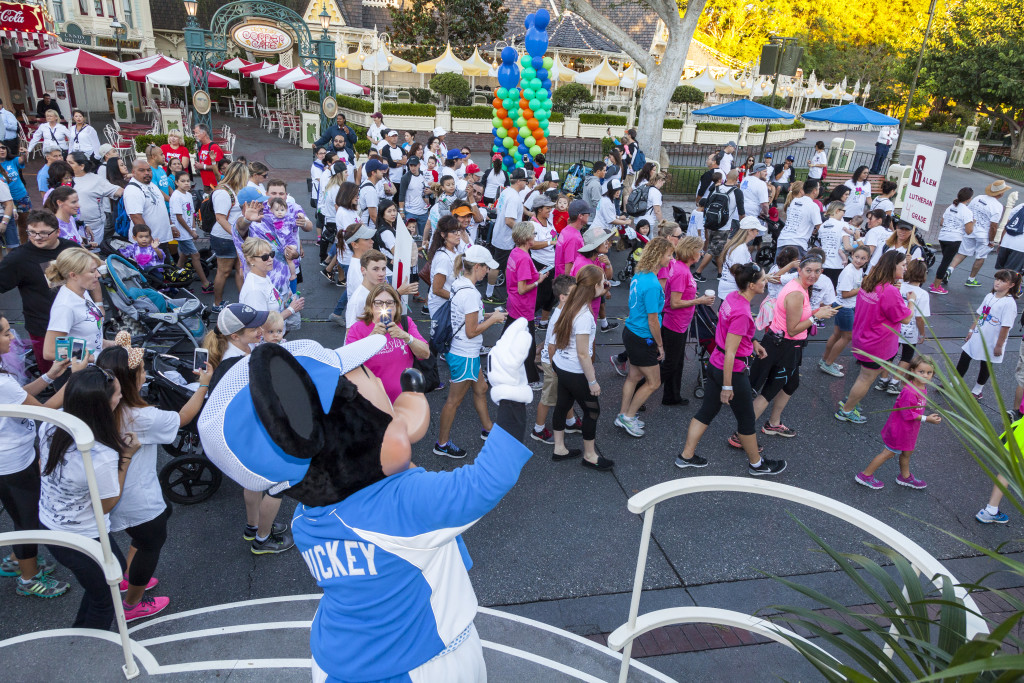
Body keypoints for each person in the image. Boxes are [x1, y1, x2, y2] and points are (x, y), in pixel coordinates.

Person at [96, 335, 211, 620]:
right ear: (129, 380)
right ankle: (133, 604)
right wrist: (204, 384)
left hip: (115, 491)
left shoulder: (96, 407)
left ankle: (129, 578)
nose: (146, 374)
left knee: (143, 535)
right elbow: (183, 417)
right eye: (142, 371)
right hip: (138, 498)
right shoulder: (141, 416)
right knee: (151, 543)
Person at [38, 366, 141, 629]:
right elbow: (106, 505)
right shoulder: (101, 455)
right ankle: (84, 654)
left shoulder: (54, 421)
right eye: (117, 394)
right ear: (102, 404)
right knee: (106, 597)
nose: (120, 397)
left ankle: (78, 635)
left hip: (49, 522)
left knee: (110, 574)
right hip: (82, 535)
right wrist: (126, 457)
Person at [674, 263, 786, 475]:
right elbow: (731, 353)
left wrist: (752, 341)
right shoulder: (743, 312)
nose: (766, 282)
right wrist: (727, 386)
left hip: (715, 364)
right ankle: (757, 465)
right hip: (731, 370)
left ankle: (686, 456)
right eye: (762, 279)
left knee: (706, 411)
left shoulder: (734, 297)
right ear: (752, 285)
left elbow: (730, 333)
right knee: (746, 419)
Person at [0, 313, 79, 598]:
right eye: (6, 333)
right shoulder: (2, 383)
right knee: (28, 519)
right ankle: (27, 577)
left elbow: (18, 396)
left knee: (18, 511)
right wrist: (75, 379)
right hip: (12, 462)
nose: (13, 337)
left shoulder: (3, 380)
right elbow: (41, 412)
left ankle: (15, 560)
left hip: (10, 458)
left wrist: (50, 375)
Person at [205, 303, 295, 554]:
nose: (260, 329)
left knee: (253, 484)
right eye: (254, 327)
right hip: (256, 435)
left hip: (243, 435)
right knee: (280, 485)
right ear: (235, 335)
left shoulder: (239, 352)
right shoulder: (239, 365)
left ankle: (253, 527)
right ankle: (263, 540)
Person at [748, 253, 837, 440]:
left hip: (787, 345)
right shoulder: (796, 293)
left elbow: (797, 316)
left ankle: (773, 423)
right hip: (785, 346)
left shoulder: (801, 286)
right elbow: (793, 329)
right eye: (809, 270)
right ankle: (741, 434)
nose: (813, 275)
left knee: (792, 384)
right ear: (799, 270)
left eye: (817, 271)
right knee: (769, 391)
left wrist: (815, 311)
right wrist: (816, 316)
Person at [434, 246, 506, 459]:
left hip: (464, 351)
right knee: (453, 401)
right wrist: (493, 319)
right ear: (477, 267)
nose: (488, 272)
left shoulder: (458, 284)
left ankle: (488, 429)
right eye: (486, 268)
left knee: (481, 388)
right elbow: (472, 330)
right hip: (465, 354)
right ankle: (442, 443)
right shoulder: (471, 294)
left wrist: (491, 314)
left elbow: (469, 318)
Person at [0, 211, 92, 372]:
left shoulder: (71, 249)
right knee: (57, 372)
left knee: (81, 368)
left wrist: (99, 304)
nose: (37, 237)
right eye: (32, 232)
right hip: (45, 328)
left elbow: (93, 278)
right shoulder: (18, 258)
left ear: (57, 232)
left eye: (44, 233)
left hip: (78, 325)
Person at [834, 250, 914, 424]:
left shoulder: (869, 281)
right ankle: (846, 410)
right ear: (893, 267)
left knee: (864, 376)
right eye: (903, 265)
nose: (906, 268)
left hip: (863, 337)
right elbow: (906, 318)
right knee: (865, 378)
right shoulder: (889, 291)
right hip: (877, 343)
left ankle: (850, 401)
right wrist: (911, 301)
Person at [551, 265, 611, 470]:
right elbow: (583, 353)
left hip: (560, 364)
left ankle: (559, 448)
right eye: (602, 281)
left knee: (562, 404)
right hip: (576, 370)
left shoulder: (570, 302)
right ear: (594, 285)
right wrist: (592, 381)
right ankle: (590, 455)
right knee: (592, 411)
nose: (604, 284)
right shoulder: (584, 315)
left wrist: (601, 289)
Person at [615, 238, 673, 437]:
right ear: (658, 256)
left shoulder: (640, 274)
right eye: (668, 254)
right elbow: (653, 321)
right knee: (654, 382)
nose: (671, 258)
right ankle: (628, 417)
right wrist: (660, 345)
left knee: (634, 376)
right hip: (643, 337)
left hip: (631, 332)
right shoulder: (653, 285)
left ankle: (623, 414)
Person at [855, 356, 941, 489]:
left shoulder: (921, 388)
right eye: (921, 372)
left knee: (907, 452)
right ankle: (865, 475)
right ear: (912, 371)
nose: (925, 376)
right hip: (900, 429)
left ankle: (905, 477)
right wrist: (926, 418)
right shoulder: (909, 391)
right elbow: (907, 413)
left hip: (910, 430)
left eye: (929, 373)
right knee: (888, 453)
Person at [345, 283, 430, 403]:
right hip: (371, 401)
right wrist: (370, 339)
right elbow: (348, 364)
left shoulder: (406, 323)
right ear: (371, 305)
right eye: (379, 303)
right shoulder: (357, 329)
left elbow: (425, 353)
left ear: (396, 305)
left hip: (404, 400)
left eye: (389, 303)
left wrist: (406, 336)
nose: (385, 307)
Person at [661, 237, 713, 405]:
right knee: (670, 364)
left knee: (676, 363)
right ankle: (640, 392)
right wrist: (699, 301)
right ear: (692, 253)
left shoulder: (681, 267)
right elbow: (674, 303)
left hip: (679, 324)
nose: (702, 253)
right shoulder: (682, 272)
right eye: (699, 250)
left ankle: (672, 396)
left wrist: (692, 295)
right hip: (674, 324)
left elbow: (679, 294)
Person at [957, 270, 1022, 399]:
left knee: (986, 364)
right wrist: (971, 330)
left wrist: (999, 345)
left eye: (1002, 281)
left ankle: (977, 389)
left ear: (1011, 285)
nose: (997, 282)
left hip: (992, 339)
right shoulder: (990, 296)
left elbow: (1005, 326)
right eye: (997, 279)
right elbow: (981, 315)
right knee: (965, 356)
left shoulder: (1009, 303)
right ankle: (954, 381)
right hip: (978, 334)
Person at [533, 275, 582, 443]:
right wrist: (554, 367)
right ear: (563, 297)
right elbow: (552, 346)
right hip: (553, 362)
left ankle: (570, 422)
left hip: (558, 361)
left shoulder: (565, 310)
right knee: (548, 398)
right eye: (574, 293)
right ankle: (538, 429)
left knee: (565, 393)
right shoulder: (559, 317)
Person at [43, 247, 109, 363]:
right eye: (92, 271)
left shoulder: (83, 293)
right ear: (73, 275)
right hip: (76, 374)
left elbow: (83, 336)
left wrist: (109, 344)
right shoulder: (65, 306)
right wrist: (87, 357)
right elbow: (50, 351)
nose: (98, 275)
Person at [506, 222, 547, 387]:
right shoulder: (524, 258)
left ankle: (497, 366)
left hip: (514, 304)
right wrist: (540, 280)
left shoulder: (515, 253)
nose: (535, 237)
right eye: (533, 234)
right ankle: (531, 379)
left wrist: (537, 274)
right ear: (526, 238)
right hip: (523, 307)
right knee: (529, 345)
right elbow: (522, 289)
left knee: (507, 339)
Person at [819, 245, 870, 377]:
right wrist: (863, 287)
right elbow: (845, 294)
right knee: (846, 337)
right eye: (857, 257)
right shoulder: (849, 271)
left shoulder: (858, 269)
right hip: (845, 308)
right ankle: (828, 364)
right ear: (852, 255)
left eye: (863, 258)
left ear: (867, 259)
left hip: (843, 306)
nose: (859, 260)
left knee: (837, 334)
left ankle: (825, 360)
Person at [209, 161, 251, 311]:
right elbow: (220, 218)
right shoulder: (223, 192)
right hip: (224, 238)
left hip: (234, 237)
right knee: (224, 271)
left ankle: (245, 303)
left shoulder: (234, 190)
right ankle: (216, 304)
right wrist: (236, 235)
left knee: (241, 270)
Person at [238, 237, 305, 324]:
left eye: (272, 254)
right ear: (251, 260)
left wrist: (285, 303)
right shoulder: (254, 291)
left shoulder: (264, 277)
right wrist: (291, 310)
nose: (271, 259)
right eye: (265, 257)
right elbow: (261, 324)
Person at [955, 181, 1008, 288]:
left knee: (962, 253)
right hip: (983, 235)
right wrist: (991, 241)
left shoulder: (978, 197)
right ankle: (971, 279)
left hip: (970, 230)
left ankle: (949, 270)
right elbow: (993, 226)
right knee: (980, 257)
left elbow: (968, 212)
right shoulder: (998, 206)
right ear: (1001, 193)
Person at [487, 168, 528, 303]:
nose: (526, 183)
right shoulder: (514, 197)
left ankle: (502, 293)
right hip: (506, 239)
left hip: (499, 235)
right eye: (525, 180)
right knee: (498, 266)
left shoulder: (506, 191)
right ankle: (490, 294)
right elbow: (509, 220)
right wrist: (522, 231)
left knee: (503, 266)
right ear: (519, 181)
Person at [169, 170, 212, 293]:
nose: (186, 183)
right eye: (183, 181)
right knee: (195, 255)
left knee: (183, 256)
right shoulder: (176, 196)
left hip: (188, 232)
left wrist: (193, 228)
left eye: (188, 181)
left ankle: (176, 281)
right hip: (182, 233)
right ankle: (205, 283)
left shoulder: (188, 195)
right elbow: (179, 217)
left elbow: (191, 213)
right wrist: (190, 232)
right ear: (177, 182)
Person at [66, 150, 122, 241]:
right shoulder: (64, 179)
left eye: (70, 163)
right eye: (66, 162)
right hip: (70, 226)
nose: (66, 165)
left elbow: (117, 190)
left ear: (81, 166)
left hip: (94, 229)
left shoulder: (96, 180)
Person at [930, 187, 975, 294]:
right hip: (954, 239)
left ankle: (936, 282)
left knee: (944, 261)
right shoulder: (967, 211)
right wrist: (973, 223)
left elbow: (942, 222)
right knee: (945, 263)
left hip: (943, 237)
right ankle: (936, 286)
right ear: (969, 199)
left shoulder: (951, 206)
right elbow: (969, 231)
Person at [123, 159, 172, 243]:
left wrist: (172, 225)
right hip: (146, 244)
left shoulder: (152, 185)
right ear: (133, 172)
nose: (147, 173)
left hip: (160, 239)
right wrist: (149, 241)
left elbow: (161, 208)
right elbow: (136, 217)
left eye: (149, 170)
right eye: (142, 170)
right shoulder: (132, 190)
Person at [718, 216, 765, 298]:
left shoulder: (738, 246)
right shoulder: (740, 249)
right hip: (733, 291)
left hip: (728, 289)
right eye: (757, 230)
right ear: (749, 231)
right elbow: (741, 274)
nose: (757, 233)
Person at [427, 216, 463, 321]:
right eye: (453, 231)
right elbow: (437, 289)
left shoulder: (454, 251)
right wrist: (459, 299)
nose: (458, 234)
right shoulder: (443, 258)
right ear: (443, 235)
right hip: (442, 307)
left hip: (450, 304)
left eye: (458, 230)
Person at [775, 179, 822, 257]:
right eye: (818, 188)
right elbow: (819, 227)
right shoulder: (813, 206)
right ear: (814, 191)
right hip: (797, 244)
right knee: (795, 269)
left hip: (782, 240)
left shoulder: (794, 201)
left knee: (778, 268)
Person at [345, 248, 388, 328]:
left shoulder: (380, 291)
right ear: (363, 270)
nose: (381, 274)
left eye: (383, 269)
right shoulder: (358, 301)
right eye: (375, 269)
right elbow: (350, 334)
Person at [0, 143, 29, 240]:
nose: (2, 150)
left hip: (21, 196)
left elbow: (21, 160)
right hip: (5, 201)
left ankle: (23, 246)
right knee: (11, 226)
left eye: (3, 148)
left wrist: (24, 154)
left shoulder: (13, 161)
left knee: (24, 224)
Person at [398, 156, 429, 237]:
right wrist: (401, 211)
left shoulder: (424, 174)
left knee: (424, 236)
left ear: (419, 165)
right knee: (409, 237)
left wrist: (430, 191)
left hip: (423, 212)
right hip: (410, 211)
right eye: (411, 165)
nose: (412, 168)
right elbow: (401, 194)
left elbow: (430, 188)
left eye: (414, 165)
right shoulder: (405, 177)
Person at [818, 200, 848, 286]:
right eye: (844, 211)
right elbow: (847, 246)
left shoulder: (822, 226)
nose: (844, 214)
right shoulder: (843, 225)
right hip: (837, 264)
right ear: (837, 211)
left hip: (823, 262)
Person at [193, 123, 224, 192]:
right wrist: (198, 166)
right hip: (206, 184)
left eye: (196, 133)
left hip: (215, 184)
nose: (195, 135)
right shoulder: (201, 147)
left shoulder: (214, 147)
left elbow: (218, 166)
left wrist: (203, 166)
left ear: (203, 133)